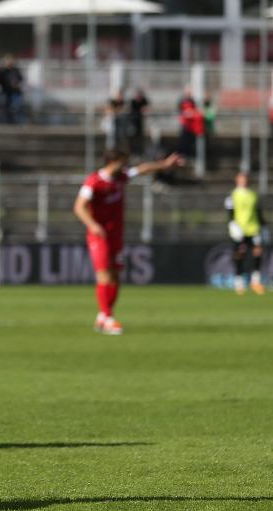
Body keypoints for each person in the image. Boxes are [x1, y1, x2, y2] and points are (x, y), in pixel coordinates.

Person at [73, 148, 183, 335]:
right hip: (99, 236)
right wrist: (92, 225)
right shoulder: (94, 182)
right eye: (123, 162)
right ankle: (108, 318)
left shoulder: (120, 178)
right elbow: (79, 207)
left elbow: (142, 169)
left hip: (116, 236)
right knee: (104, 275)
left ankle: (103, 316)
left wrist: (164, 165)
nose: (125, 166)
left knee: (116, 276)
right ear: (113, 162)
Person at [225, 172, 267, 295]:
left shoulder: (253, 195)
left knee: (258, 252)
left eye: (245, 179)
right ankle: (239, 282)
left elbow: (258, 212)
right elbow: (230, 213)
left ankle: (255, 281)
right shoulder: (232, 196)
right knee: (240, 253)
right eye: (241, 180)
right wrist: (233, 225)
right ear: (237, 181)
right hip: (239, 229)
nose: (244, 182)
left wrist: (264, 227)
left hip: (253, 228)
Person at [0, 54, 24, 124]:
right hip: (7, 93)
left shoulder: (16, 70)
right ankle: (8, 122)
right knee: (6, 107)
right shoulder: (3, 72)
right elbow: (1, 82)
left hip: (16, 93)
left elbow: (21, 80)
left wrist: (16, 84)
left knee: (17, 107)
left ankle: (18, 122)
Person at [128, 88, 150, 157]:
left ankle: (140, 151)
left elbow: (146, 108)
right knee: (133, 137)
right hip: (133, 122)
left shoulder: (144, 100)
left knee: (140, 137)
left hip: (140, 122)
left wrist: (144, 110)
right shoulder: (133, 101)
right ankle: (133, 151)